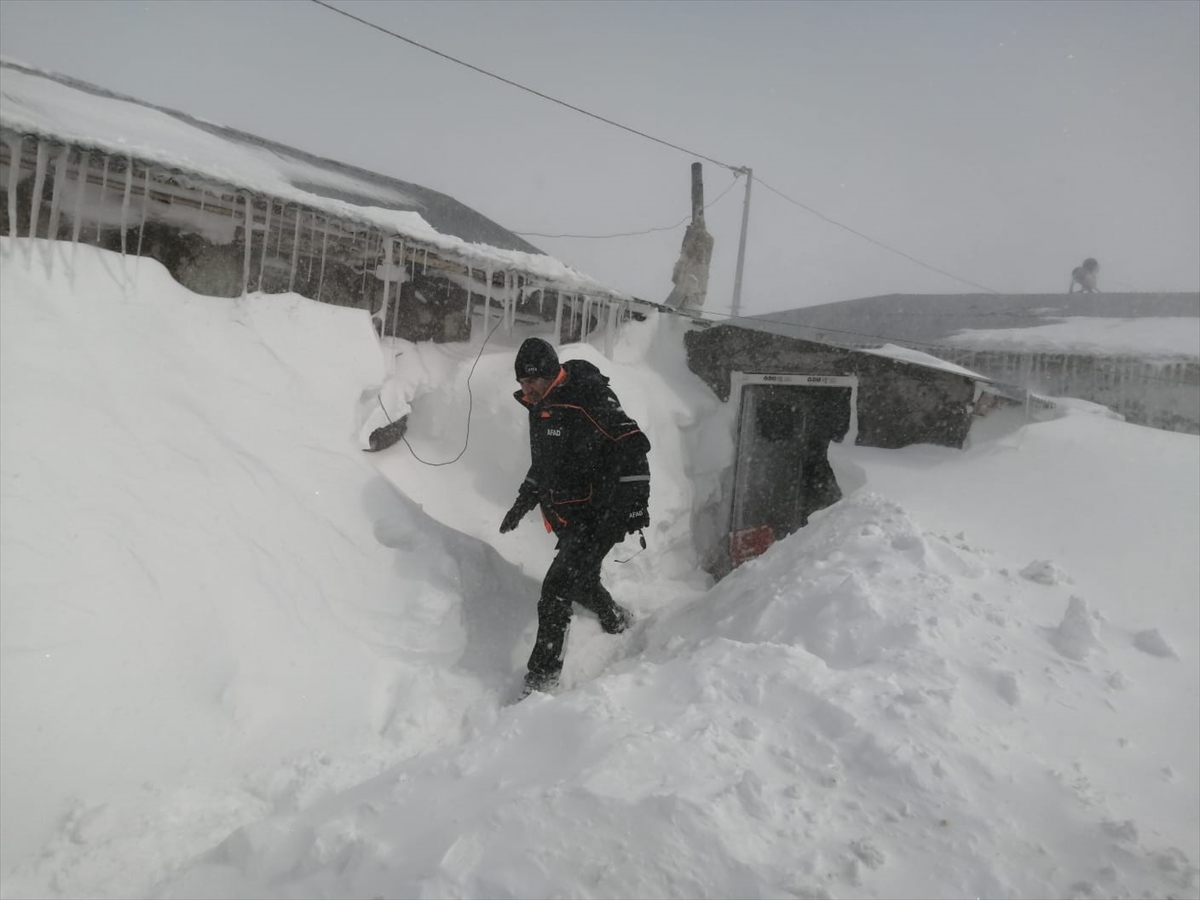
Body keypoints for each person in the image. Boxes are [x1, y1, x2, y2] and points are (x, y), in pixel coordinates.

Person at [499, 337, 651, 697]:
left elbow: (633, 443)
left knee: (555, 591)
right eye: (521, 381)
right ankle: (616, 620)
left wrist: (636, 502)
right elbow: (545, 463)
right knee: (580, 578)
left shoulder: (588, 399)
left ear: (551, 373)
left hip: (603, 511)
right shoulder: (540, 406)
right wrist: (524, 501)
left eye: (532, 379)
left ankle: (541, 677)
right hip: (572, 513)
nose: (527, 387)